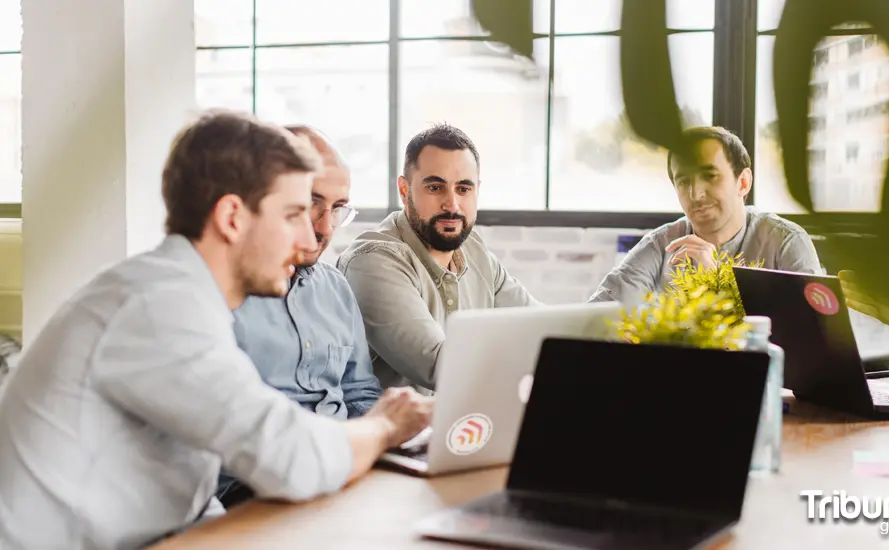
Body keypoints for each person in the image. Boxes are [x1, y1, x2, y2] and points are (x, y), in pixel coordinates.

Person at [0, 110, 431, 549]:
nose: (311, 238)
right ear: (231, 218)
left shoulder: (186, 298)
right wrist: (385, 426)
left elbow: (189, 486)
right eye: (293, 215)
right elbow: (293, 458)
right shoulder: (157, 307)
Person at [215, 125, 384, 508]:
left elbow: (358, 391)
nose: (324, 228)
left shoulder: (334, 287)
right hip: (259, 486)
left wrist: (391, 435)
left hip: (343, 465)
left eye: (339, 209)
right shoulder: (219, 295)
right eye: (312, 204)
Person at [337, 123, 539, 391]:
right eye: (435, 187)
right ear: (404, 189)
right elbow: (441, 367)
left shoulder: (474, 250)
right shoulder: (373, 260)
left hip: (466, 424)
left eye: (464, 189)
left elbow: (542, 326)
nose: (452, 205)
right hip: (400, 432)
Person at [590, 126, 823, 305]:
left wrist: (718, 283)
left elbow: (811, 337)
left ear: (742, 182)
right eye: (683, 181)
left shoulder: (786, 242)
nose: (696, 193)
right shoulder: (662, 243)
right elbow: (598, 314)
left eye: (709, 176)